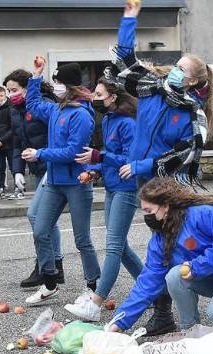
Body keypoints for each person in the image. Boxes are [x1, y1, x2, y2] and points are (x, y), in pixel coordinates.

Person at [105, 0, 213, 336]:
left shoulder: (191, 114)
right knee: (160, 245)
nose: (175, 70)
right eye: (177, 64)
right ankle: (164, 310)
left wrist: (140, 163)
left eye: (183, 69)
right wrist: (129, 19)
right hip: (142, 182)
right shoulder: (151, 89)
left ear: (194, 82)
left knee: (168, 246)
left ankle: (173, 310)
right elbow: (125, 60)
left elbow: (181, 154)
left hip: (169, 187)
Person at [106, 177, 213, 340]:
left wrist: (198, 266)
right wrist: (119, 323)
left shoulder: (201, 213)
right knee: (174, 276)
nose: (146, 217)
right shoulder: (160, 238)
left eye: (149, 211)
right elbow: (146, 283)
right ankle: (191, 333)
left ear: (166, 205)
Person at [21, 59, 100, 305]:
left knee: (82, 239)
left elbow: (72, 152)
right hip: (54, 182)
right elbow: (33, 104)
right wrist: (35, 76)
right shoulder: (55, 109)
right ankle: (50, 282)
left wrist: (40, 153)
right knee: (41, 230)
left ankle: (92, 286)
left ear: (69, 86)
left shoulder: (82, 115)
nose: (55, 86)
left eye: (58, 83)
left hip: (76, 183)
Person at [66, 78, 143, 321]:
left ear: (113, 97)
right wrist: (96, 169)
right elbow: (111, 157)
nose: (94, 98)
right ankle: (154, 291)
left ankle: (96, 303)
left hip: (126, 188)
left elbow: (130, 159)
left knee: (113, 245)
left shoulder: (127, 123)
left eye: (99, 94)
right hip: (112, 187)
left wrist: (99, 156)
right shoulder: (108, 119)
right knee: (120, 248)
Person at [4, 69, 66, 288]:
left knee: (35, 215)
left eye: (15, 90)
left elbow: (58, 135)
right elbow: (17, 143)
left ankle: (47, 264)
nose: (11, 95)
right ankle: (54, 265)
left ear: (27, 87)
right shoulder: (14, 111)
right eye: (8, 91)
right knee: (46, 218)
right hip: (38, 168)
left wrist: (46, 156)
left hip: (52, 165)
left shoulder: (43, 105)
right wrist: (17, 171)